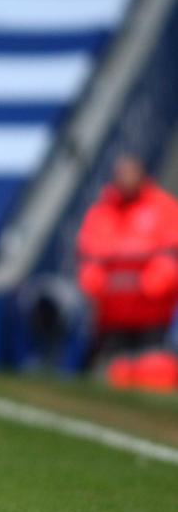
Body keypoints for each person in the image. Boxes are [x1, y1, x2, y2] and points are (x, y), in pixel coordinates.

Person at [76, 154, 178, 368]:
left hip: (153, 319)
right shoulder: (101, 212)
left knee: (153, 373)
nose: (126, 179)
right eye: (121, 174)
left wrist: (144, 285)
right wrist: (104, 286)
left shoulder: (164, 208)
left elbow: (169, 261)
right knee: (109, 374)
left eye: (130, 173)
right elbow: (89, 262)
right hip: (111, 320)